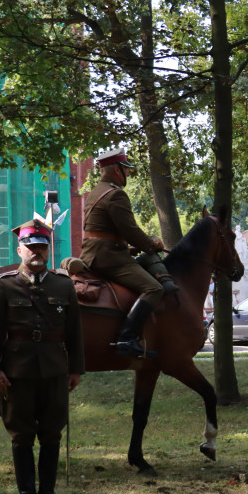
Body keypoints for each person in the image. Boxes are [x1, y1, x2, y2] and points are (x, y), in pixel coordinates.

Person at [0, 220, 84, 494]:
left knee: (51, 435)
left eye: (41, 247)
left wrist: (76, 368)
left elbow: (75, 332)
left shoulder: (63, 284)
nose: (36, 252)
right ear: (20, 250)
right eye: (31, 247)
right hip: (17, 372)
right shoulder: (3, 285)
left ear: (48, 250)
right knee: (21, 436)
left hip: (54, 371)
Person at [80, 147, 168, 358]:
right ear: (116, 170)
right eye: (126, 169)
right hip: (108, 258)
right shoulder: (116, 194)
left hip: (96, 252)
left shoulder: (95, 192)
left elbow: (104, 231)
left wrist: (124, 246)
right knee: (154, 288)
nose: (128, 173)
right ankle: (126, 339)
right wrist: (152, 244)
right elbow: (130, 230)